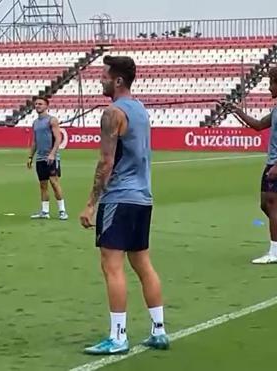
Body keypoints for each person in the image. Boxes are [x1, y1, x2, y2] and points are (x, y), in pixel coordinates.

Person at [79, 56, 169, 355]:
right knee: (143, 263)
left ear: (117, 80)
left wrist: (91, 204)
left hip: (119, 197)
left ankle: (118, 336)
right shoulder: (141, 110)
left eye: (104, 76)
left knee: (112, 267)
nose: (100, 80)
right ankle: (159, 330)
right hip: (143, 197)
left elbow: (106, 162)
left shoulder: (112, 113)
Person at [225, 66, 277, 263]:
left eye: (271, 84)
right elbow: (259, 125)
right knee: (265, 205)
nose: (269, 88)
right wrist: (236, 111)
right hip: (273, 163)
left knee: (272, 205)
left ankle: (274, 253)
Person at [27, 97, 68, 220]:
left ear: (46, 106)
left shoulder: (52, 120)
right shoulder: (35, 123)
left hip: (51, 158)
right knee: (43, 185)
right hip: (40, 158)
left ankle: (62, 211)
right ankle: (45, 212)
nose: (37, 106)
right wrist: (30, 156)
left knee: (54, 183)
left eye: (40, 104)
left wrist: (52, 154)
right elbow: (34, 141)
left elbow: (58, 138)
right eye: (36, 104)